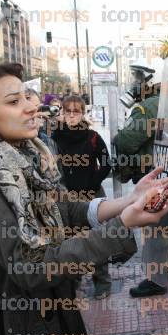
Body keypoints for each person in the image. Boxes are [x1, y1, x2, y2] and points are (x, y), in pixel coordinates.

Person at [0, 63, 168, 335]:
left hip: (48, 312)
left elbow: (65, 207)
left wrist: (129, 200)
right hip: (16, 329)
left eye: (27, 96)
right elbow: (29, 267)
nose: (31, 106)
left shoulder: (25, 156)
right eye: (14, 101)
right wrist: (124, 224)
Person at [52, 94, 113, 298]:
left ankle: (102, 283)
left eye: (75, 111)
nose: (71, 115)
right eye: (67, 110)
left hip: (91, 195)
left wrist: (92, 183)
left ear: (82, 113)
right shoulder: (55, 137)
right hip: (66, 198)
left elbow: (106, 164)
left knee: (96, 240)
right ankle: (74, 280)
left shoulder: (92, 136)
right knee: (71, 242)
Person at [113, 57, 164, 185]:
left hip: (148, 177)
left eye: (139, 78)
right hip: (163, 173)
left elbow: (125, 142)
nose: (136, 82)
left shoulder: (148, 106)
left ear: (153, 79)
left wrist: (118, 137)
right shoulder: (166, 100)